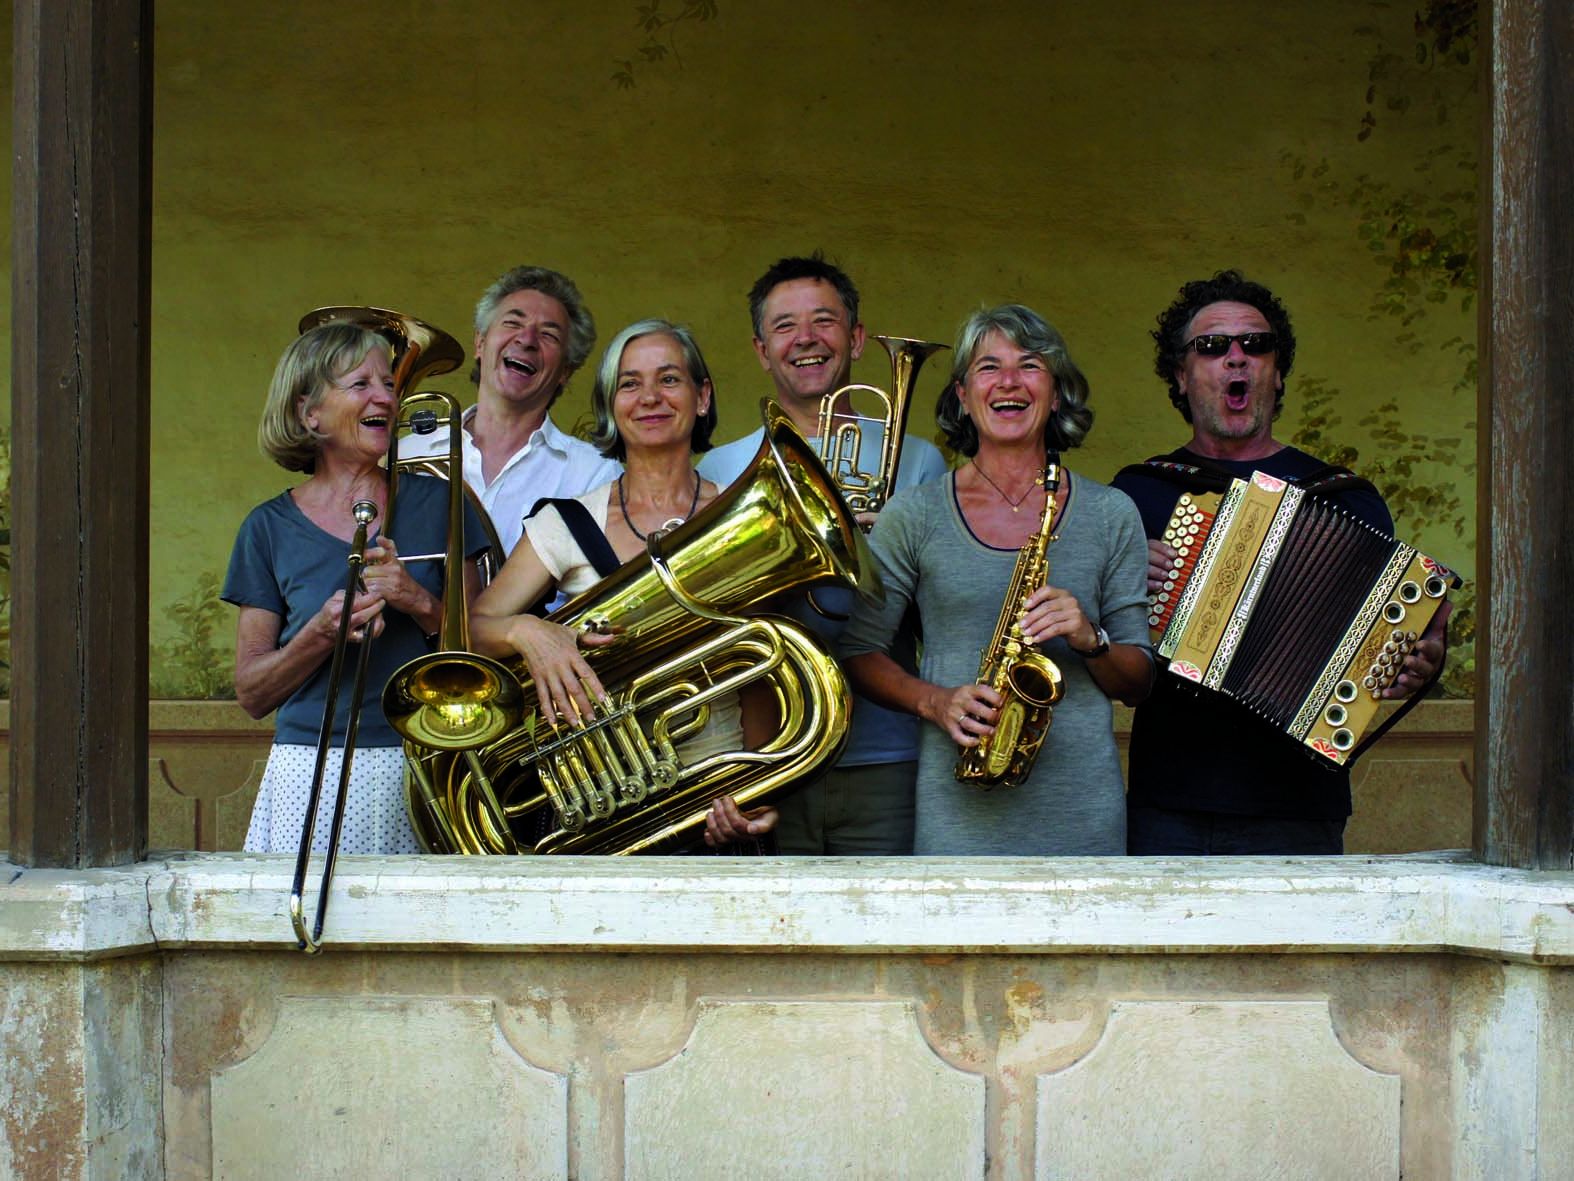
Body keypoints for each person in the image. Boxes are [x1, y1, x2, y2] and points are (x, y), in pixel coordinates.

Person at [1111, 270, 1448, 856]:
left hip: (1300, 805)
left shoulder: (1344, 498)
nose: (1236, 359)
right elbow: (1102, 657)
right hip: (1169, 798)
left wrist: (1418, 661)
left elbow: (1382, 644)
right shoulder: (1138, 493)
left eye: (1256, 345)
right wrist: (1117, 588)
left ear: (1278, 371)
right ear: (1181, 376)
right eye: (1213, 347)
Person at [839, 304, 1154, 855]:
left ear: (1056, 394)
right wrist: (935, 702)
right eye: (989, 367)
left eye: (1030, 365)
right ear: (962, 395)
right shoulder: (914, 514)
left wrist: (1090, 638)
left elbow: (1139, 682)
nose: (1009, 382)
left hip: (1082, 816)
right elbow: (858, 651)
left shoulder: (1111, 513)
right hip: (958, 817)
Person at [469, 318, 774, 850]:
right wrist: (529, 633)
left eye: (669, 379)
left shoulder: (743, 521)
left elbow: (766, 668)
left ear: (702, 397)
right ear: (612, 405)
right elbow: (472, 630)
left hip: (714, 800)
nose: (649, 397)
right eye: (629, 384)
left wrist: (758, 789)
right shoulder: (564, 523)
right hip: (597, 810)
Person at [698, 253, 949, 854]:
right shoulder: (720, 469)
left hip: (886, 753)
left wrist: (893, 547)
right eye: (784, 326)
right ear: (761, 350)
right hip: (770, 753)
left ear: (857, 339)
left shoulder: (919, 462)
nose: (805, 339)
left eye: (824, 321)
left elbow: (942, 612)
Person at [225, 322, 487, 854]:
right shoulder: (267, 528)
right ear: (309, 413)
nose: (386, 397)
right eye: (361, 384)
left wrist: (418, 600)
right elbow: (253, 693)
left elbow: (484, 650)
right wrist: (321, 633)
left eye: (389, 384)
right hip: (307, 766)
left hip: (424, 761)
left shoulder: (443, 502)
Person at [401, 265, 621, 555]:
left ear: (565, 372)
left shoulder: (595, 474)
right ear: (480, 343)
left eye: (549, 335)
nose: (527, 339)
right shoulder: (408, 451)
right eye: (513, 323)